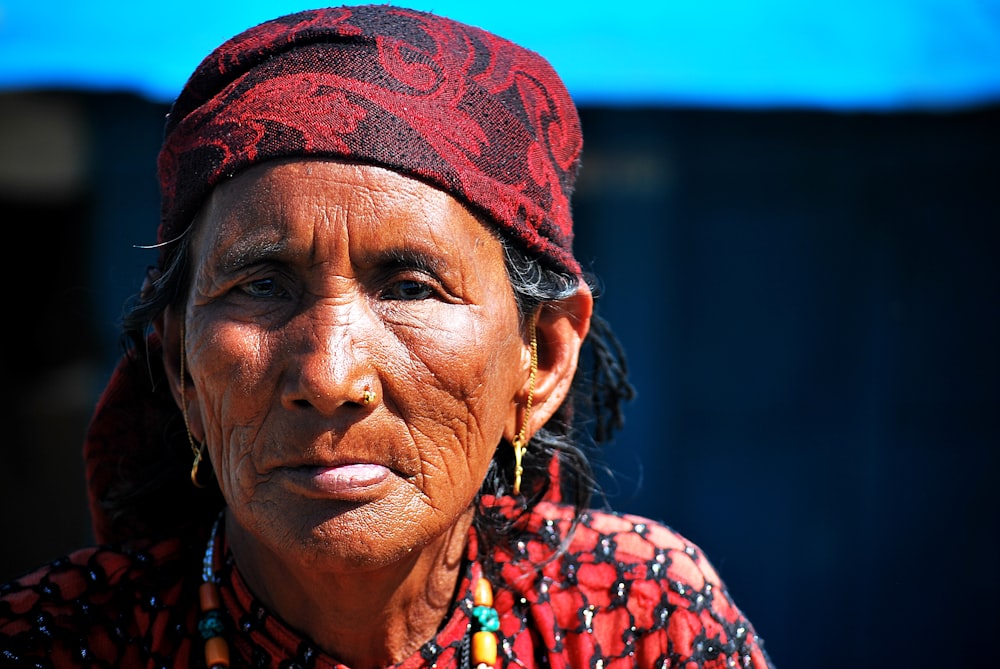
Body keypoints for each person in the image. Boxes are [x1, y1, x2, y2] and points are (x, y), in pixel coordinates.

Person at [0, 5, 774, 668]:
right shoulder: (54, 641)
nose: (331, 375)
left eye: (411, 288)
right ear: (179, 368)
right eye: (261, 285)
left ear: (542, 361)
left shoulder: (635, 616)